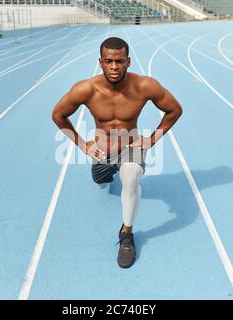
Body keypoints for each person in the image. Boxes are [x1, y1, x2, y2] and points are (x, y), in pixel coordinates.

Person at [51, 37, 183, 268]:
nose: (114, 67)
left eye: (119, 61)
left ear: (128, 61)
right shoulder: (86, 89)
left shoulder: (145, 86)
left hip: (130, 147)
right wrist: (84, 145)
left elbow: (174, 110)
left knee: (131, 176)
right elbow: (58, 115)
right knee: (101, 182)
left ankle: (126, 234)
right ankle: (105, 176)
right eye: (109, 61)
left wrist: (151, 141)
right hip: (101, 153)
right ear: (100, 61)